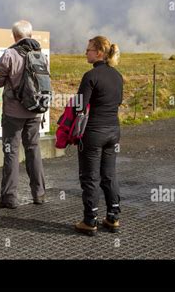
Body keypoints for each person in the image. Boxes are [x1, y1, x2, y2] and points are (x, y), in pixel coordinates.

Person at [0, 20, 46, 209]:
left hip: (13, 113)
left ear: (14, 36)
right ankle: (39, 193)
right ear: (31, 34)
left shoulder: (10, 54)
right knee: (33, 149)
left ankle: (9, 196)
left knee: (11, 152)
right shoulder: (40, 54)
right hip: (35, 111)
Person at [74, 36, 124, 236]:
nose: (86, 52)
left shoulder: (90, 75)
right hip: (113, 131)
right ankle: (113, 217)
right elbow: (118, 101)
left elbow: (79, 106)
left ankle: (90, 220)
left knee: (90, 177)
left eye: (89, 50)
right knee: (109, 174)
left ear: (100, 53)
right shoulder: (117, 75)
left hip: (93, 132)